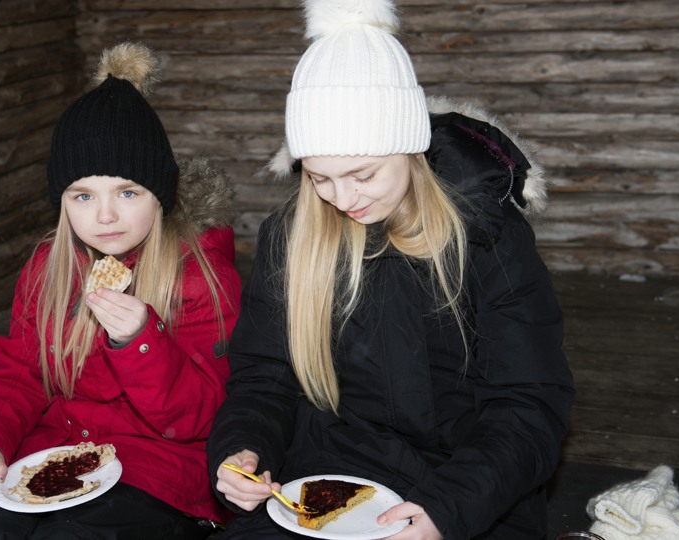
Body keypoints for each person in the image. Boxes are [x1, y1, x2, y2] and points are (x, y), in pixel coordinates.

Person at [206, 1, 574, 539]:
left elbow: (529, 401)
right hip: (334, 470)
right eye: (319, 178)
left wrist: (447, 509)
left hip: (470, 485)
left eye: (362, 174)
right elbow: (266, 376)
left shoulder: (485, 235)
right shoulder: (292, 236)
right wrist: (246, 445)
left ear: (410, 146)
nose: (341, 197)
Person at [0, 42, 241, 540]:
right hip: (55, 454)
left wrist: (140, 341)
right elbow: (18, 374)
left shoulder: (200, 277)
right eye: (83, 195)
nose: (104, 215)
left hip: (158, 474)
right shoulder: (50, 268)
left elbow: (202, 418)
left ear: (161, 197)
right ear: (61, 201)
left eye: (127, 192)